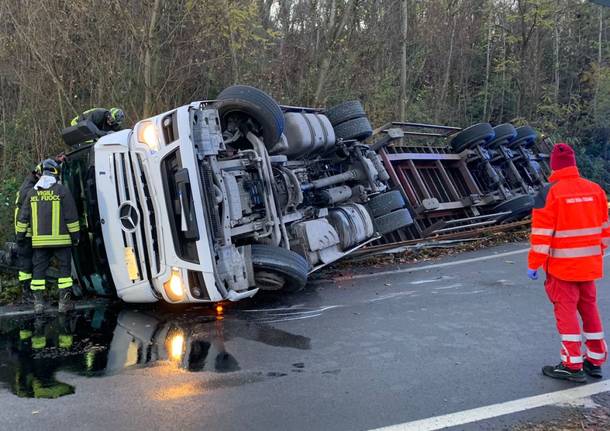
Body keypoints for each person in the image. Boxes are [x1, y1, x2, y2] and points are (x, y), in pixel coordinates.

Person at [528, 143, 609, 383]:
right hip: (589, 265)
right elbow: (604, 231)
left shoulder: (549, 192)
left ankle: (572, 365)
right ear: (574, 164)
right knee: (589, 309)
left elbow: (542, 235)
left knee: (566, 313)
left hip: (562, 268)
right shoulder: (596, 190)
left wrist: (534, 264)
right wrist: (595, 255)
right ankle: (595, 360)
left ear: (553, 166)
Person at [15, 159, 80, 314]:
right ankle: (64, 304)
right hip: (62, 242)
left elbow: (22, 218)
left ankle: (38, 305)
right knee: (64, 273)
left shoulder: (32, 193)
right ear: (56, 173)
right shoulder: (62, 191)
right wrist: (75, 236)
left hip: (39, 244)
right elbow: (71, 217)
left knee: (38, 273)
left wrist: (20, 236)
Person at [14, 162, 42, 303]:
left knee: (29, 263)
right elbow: (23, 215)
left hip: (25, 231)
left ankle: (28, 292)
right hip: (25, 233)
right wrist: (20, 234)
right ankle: (26, 293)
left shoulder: (29, 183)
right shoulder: (29, 190)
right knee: (26, 264)